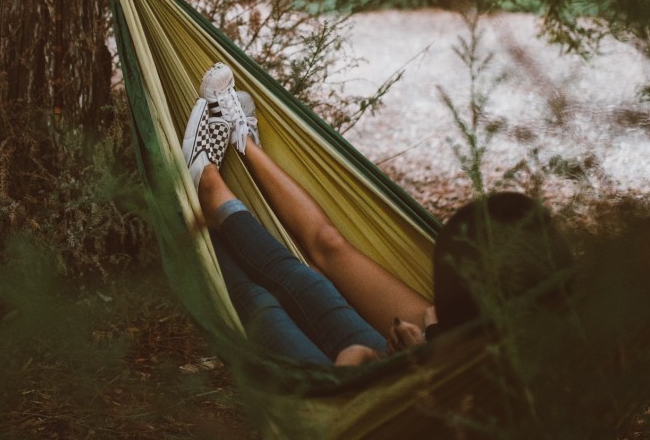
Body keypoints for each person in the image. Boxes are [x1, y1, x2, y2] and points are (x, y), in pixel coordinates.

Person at [181, 62, 572, 365]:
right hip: (441, 352)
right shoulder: (570, 338)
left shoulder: (524, 395)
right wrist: (426, 346)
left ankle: (205, 195)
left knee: (264, 304)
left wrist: (370, 365)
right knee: (327, 251)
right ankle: (244, 146)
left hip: (364, 400)